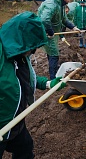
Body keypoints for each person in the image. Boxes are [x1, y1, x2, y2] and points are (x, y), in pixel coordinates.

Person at [0, 11, 66, 158]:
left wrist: (48, 83)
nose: (33, 52)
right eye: (32, 47)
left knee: (25, 149)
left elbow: (24, 79)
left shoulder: (19, 54)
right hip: (2, 123)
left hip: (15, 121)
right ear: (22, 40)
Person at [37, 0, 80, 80]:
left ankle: (53, 69)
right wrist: (50, 31)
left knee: (51, 52)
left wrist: (73, 27)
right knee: (54, 53)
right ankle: (53, 77)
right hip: (47, 32)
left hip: (53, 32)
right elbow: (44, 19)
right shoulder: (51, 5)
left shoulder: (61, 4)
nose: (68, 0)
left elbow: (64, 19)